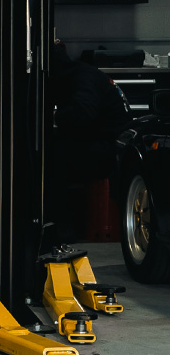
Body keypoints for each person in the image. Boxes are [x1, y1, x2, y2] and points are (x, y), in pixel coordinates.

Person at [49, 42, 131, 244]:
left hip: (111, 151)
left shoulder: (81, 79)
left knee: (53, 159)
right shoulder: (83, 74)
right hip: (113, 145)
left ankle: (64, 231)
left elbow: (83, 114)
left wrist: (53, 117)